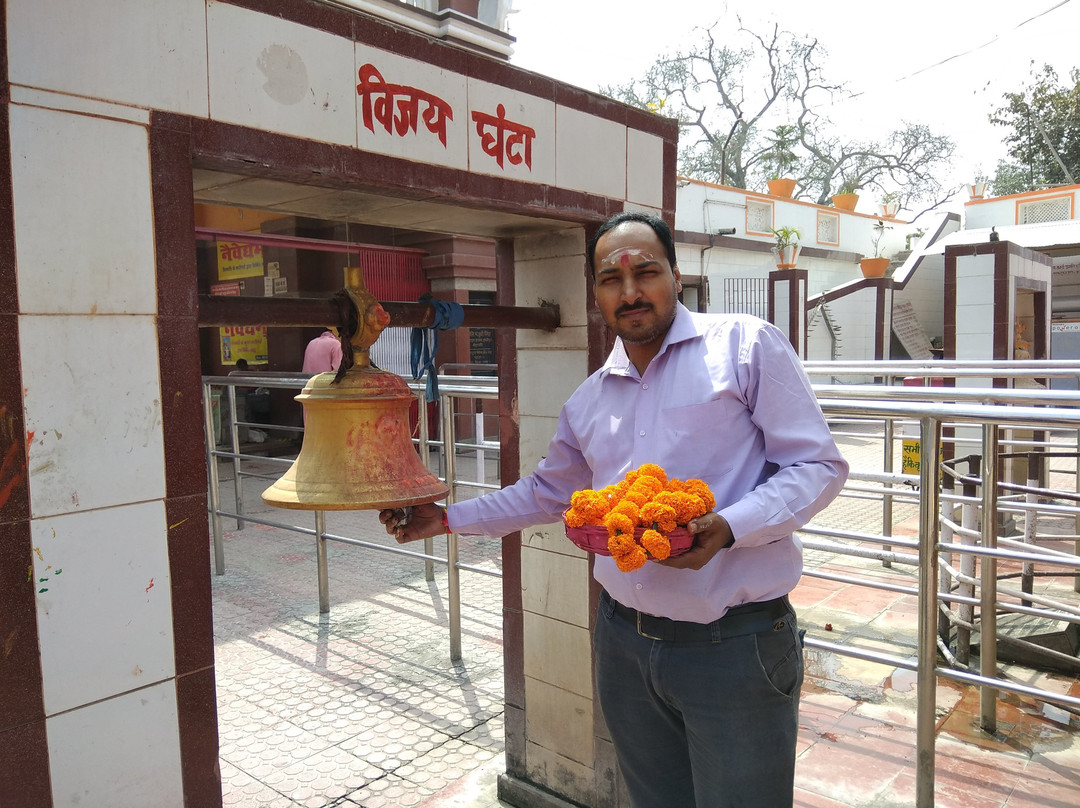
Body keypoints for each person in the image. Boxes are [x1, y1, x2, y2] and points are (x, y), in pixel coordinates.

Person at [379, 211, 849, 807]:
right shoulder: (589, 400)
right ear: (595, 293)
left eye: (646, 272)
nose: (630, 292)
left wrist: (730, 527)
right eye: (610, 279)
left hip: (736, 646)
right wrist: (446, 519)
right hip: (624, 643)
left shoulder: (743, 346)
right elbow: (546, 494)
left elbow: (816, 465)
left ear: (675, 275)